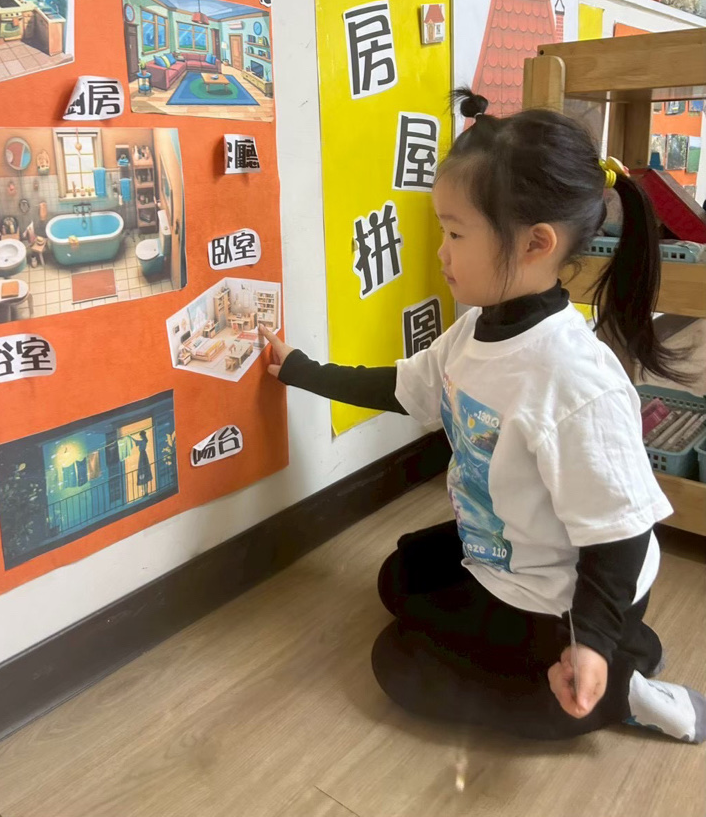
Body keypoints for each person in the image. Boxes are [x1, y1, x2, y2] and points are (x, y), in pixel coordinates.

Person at [260, 88, 706, 744]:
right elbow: (404, 386)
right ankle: (622, 650)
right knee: (399, 575)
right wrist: (301, 370)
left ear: (535, 244)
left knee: (396, 663)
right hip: (513, 552)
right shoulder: (475, 331)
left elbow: (621, 534)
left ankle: (616, 688)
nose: (441, 252)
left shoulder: (574, 379)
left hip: (571, 591)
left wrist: (589, 641)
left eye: (455, 233)